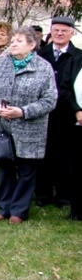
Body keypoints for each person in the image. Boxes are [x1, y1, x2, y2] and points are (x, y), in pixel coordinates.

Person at [0, 26, 57, 224]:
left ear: (32, 45)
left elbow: (49, 100)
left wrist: (23, 111)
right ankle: (4, 207)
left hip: (29, 129)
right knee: (6, 168)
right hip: (3, 126)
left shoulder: (43, 68)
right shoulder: (2, 64)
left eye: (19, 41)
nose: (13, 44)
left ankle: (19, 211)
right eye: (13, 40)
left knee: (26, 171)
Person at [36, 16, 82, 207]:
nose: (59, 33)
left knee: (65, 156)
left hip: (67, 113)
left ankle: (64, 196)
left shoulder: (78, 56)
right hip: (42, 112)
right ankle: (43, 194)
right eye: (56, 30)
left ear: (72, 33)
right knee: (43, 154)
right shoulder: (40, 54)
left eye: (64, 30)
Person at [60, 53, 82, 220]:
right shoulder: (75, 61)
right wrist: (77, 110)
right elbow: (65, 89)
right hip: (77, 123)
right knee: (77, 167)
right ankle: (77, 210)